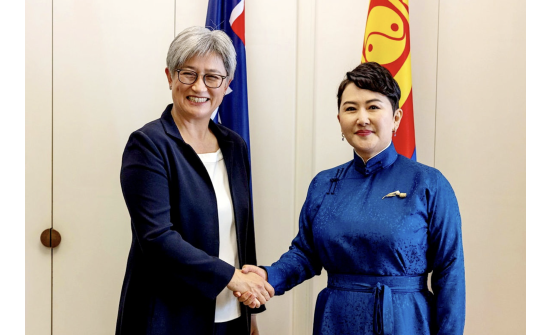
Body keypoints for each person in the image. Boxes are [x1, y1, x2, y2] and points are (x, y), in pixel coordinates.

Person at [237, 62, 466, 334]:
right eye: (350, 108)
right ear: (339, 120)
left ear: (396, 118)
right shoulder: (323, 184)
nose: (362, 118)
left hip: (406, 322)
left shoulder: (429, 184)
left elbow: (450, 273)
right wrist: (268, 276)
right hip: (336, 319)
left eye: (373, 106)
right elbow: (305, 254)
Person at [115, 26, 274, 335]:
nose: (199, 86)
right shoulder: (148, 145)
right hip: (167, 316)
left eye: (212, 77)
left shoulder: (234, 146)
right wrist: (231, 277)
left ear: (227, 84)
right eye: (188, 73)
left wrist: (253, 309)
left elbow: (241, 232)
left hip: (230, 312)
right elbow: (157, 239)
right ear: (170, 76)